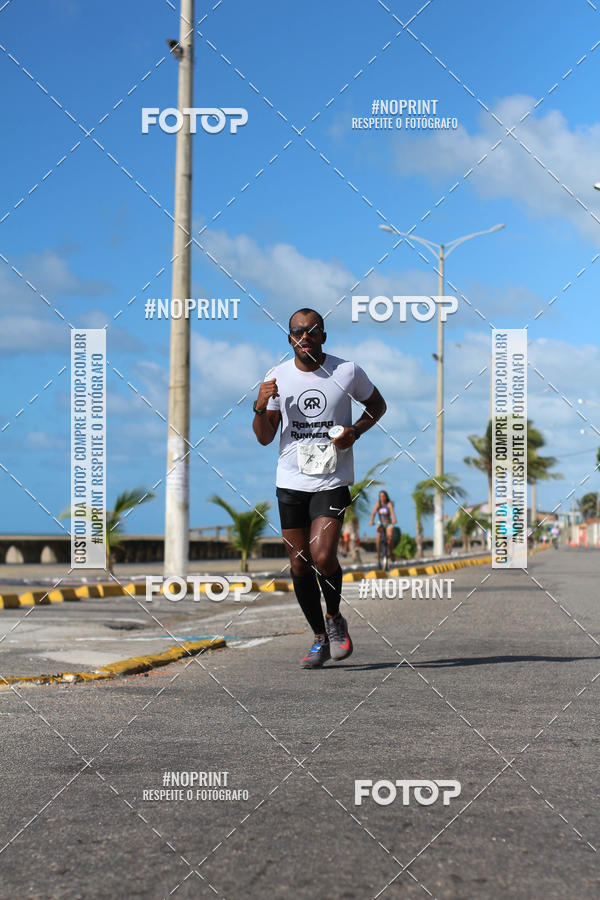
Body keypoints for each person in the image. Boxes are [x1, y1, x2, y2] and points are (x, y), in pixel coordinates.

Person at [252, 308, 387, 668]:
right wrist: (260, 405)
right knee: (299, 563)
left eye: (312, 331)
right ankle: (319, 638)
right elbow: (265, 437)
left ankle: (335, 618)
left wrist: (354, 432)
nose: (304, 337)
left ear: (323, 336)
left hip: (332, 478)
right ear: (289, 338)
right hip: (291, 480)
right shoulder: (277, 376)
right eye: (297, 332)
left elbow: (377, 405)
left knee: (323, 556)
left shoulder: (347, 371)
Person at [369, 490, 397, 560]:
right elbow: (373, 513)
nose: (382, 497)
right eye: (380, 496)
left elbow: (392, 513)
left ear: (386, 497)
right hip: (380, 523)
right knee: (378, 535)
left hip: (388, 523)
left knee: (390, 538)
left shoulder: (389, 504)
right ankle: (378, 552)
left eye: (383, 496)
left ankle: (391, 553)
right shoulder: (378, 504)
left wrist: (394, 519)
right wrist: (371, 521)